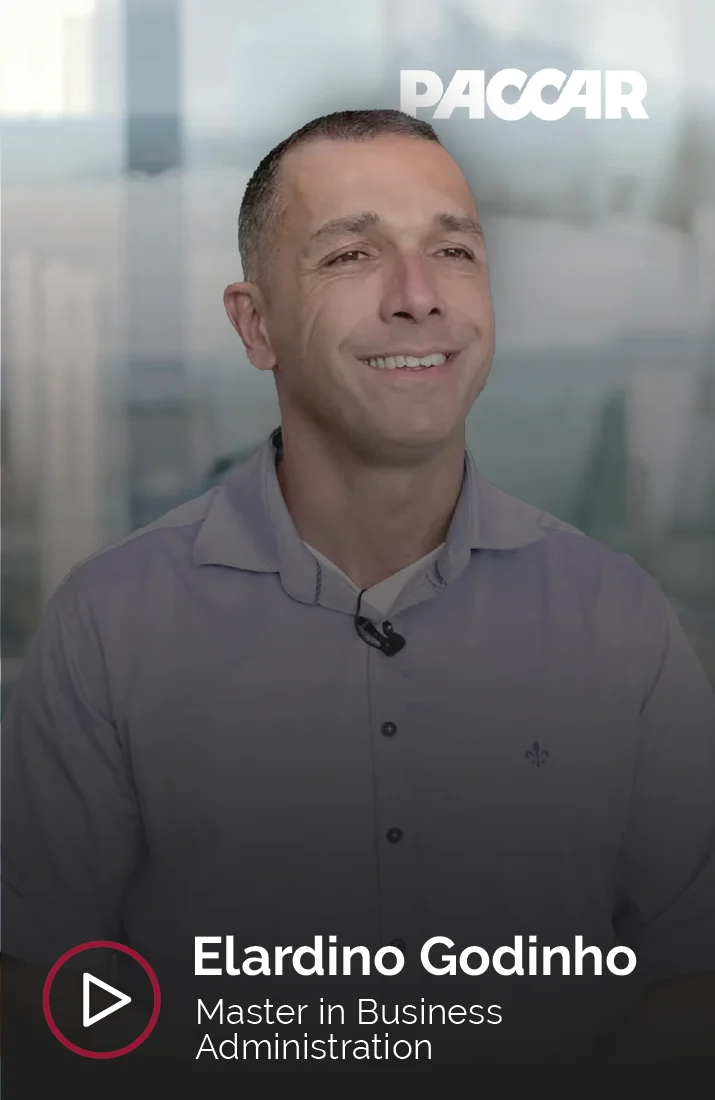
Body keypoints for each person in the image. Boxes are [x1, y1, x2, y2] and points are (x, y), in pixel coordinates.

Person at [3, 109, 715, 1075]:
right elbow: (44, 980)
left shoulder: (618, 622)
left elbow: (688, 969)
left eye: (453, 251)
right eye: (351, 256)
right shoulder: (109, 627)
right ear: (257, 326)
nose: (418, 297)